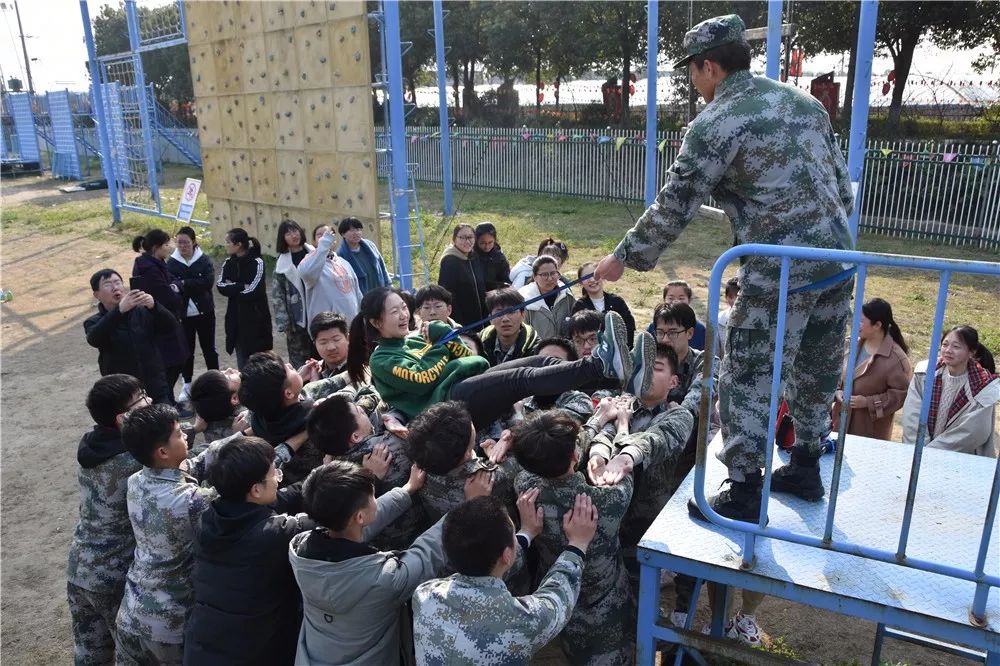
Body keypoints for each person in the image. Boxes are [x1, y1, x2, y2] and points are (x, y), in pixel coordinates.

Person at [595, 14, 856, 520]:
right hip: (838, 258)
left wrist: (623, 256)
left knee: (749, 369)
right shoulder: (802, 102)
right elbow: (841, 186)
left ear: (708, 66)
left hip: (780, 267)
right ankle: (805, 464)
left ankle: (743, 488)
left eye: (692, 71)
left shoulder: (717, 121)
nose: (693, 83)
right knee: (817, 365)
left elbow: (678, 200)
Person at [345, 287, 652, 429]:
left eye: (403, 307)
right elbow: (422, 380)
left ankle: (620, 373)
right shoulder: (382, 360)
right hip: (446, 408)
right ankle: (600, 364)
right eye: (393, 311)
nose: (402, 315)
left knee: (539, 362)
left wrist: (448, 340)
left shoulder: (414, 339)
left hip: (465, 386)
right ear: (375, 322)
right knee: (521, 381)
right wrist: (441, 343)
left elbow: (465, 356)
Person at [288, 460, 459, 665]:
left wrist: (407, 489)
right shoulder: (383, 581)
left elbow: (357, 528)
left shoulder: (302, 551)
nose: (375, 500)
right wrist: (464, 509)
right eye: (372, 496)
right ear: (359, 516)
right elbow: (426, 553)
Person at [511, 411, 639, 665]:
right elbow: (624, 466)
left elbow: (552, 454)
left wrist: (599, 421)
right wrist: (620, 426)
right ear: (575, 456)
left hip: (556, 599)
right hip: (605, 610)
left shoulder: (524, 486)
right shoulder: (607, 500)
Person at [412, 493, 597, 665]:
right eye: (513, 534)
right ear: (507, 555)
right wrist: (577, 544)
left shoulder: (424, 595)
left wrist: (526, 533)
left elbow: (487, 568)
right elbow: (557, 599)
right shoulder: (522, 623)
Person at [184, 436, 312, 665]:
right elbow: (332, 513)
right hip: (253, 651)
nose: (278, 480)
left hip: (204, 645)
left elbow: (279, 500)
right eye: (275, 474)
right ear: (255, 490)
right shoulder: (274, 535)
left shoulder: (208, 519)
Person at [114, 404, 216, 664]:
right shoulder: (190, 501)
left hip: (131, 614)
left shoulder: (136, 481)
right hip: (170, 625)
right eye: (180, 433)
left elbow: (189, 468)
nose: (185, 436)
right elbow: (240, 491)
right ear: (162, 451)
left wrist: (240, 435)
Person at [67, 375, 150, 665]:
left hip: (80, 568)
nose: (148, 401)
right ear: (121, 418)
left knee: (90, 655)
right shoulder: (132, 462)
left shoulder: (93, 446)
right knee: (131, 656)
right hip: (114, 575)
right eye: (141, 399)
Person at [84, 269, 177, 405]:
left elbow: (171, 326)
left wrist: (154, 306)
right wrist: (119, 311)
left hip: (155, 384)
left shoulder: (142, 310)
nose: (115, 287)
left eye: (117, 282)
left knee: (164, 423)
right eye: (107, 284)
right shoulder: (93, 322)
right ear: (97, 295)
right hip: (122, 391)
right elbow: (94, 339)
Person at [902, 326, 999, 456]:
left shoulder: (984, 388)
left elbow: (973, 432)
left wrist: (931, 453)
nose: (948, 350)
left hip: (959, 459)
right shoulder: (925, 374)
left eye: (956, 347)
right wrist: (920, 448)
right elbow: (912, 415)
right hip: (918, 453)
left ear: (971, 352)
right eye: (945, 344)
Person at [832, 298, 912, 440]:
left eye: (861, 321)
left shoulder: (896, 359)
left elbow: (901, 395)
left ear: (877, 325)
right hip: (839, 424)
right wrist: (837, 390)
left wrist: (868, 402)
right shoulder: (849, 344)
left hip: (869, 432)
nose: (855, 324)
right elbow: (835, 372)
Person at [238, 351, 317, 486]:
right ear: (288, 393)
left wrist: (298, 379)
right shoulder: (313, 418)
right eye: (287, 369)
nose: (289, 365)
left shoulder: (260, 419)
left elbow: (293, 400)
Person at [132, 229, 190, 405]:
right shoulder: (149, 269)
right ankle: (167, 404)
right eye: (166, 244)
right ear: (157, 247)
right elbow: (170, 297)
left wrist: (176, 287)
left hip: (168, 322)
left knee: (176, 362)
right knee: (168, 366)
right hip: (160, 326)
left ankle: (170, 402)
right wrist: (176, 289)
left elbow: (176, 282)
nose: (170, 247)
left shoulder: (158, 263)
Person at [167, 227, 219, 405]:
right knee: (186, 351)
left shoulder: (203, 260)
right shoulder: (172, 263)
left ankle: (216, 381)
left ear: (194, 242)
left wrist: (182, 283)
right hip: (183, 316)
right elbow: (171, 285)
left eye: (186, 242)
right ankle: (187, 385)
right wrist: (191, 283)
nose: (182, 246)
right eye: (179, 242)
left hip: (205, 312)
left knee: (209, 349)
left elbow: (207, 282)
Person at [217, 229, 273, 369]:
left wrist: (233, 288)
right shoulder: (228, 262)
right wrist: (241, 286)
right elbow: (221, 286)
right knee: (242, 365)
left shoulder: (257, 262)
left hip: (257, 322)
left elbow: (254, 290)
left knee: (261, 364)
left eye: (228, 242)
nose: (226, 245)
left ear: (238, 244)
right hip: (236, 321)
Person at [300, 225, 363, 331]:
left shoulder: (344, 263)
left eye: (328, 235)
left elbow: (356, 292)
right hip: (326, 326)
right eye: (320, 235)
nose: (325, 238)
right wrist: (323, 246)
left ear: (335, 241)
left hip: (351, 323)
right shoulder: (308, 262)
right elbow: (306, 274)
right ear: (315, 242)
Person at [272, 220, 315, 369]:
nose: (293, 235)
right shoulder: (281, 263)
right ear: (282, 238)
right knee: (300, 361)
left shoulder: (314, 254)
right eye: (288, 233)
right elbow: (278, 295)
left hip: (317, 312)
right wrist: (284, 323)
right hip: (296, 322)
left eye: (295, 231)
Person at [573, 261, 636, 348]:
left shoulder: (617, 301)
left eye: (594, 275)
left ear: (602, 276)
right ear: (580, 283)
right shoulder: (579, 306)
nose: (592, 280)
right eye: (586, 277)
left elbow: (629, 328)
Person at [438, 224, 487, 328]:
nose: (467, 241)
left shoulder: (474, 257)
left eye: (470, 237)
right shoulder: (449, 261)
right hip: (462, 321)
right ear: (454, 239)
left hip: (482, 318)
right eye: (462, 237)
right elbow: (447, 294)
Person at [479, 287, 540, 367]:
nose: (505, 319)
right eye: (499, 313)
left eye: (511, 312)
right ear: (490, 318)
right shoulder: (479, 345)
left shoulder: (536, 348)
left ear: (522, 315)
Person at [518, 255, 576, 340]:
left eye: (553, 273)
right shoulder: (525, 300)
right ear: (535, 277)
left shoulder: (567, 295)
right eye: (544, 275)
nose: (550, 278)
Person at [336, 217, 391, 295]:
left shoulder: (370, 246)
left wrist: (388, 285)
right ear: (343, 234)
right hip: (360, 297)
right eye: (352, 230)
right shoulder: (341, 255)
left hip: (380, 292)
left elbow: (382, 266)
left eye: (358, 229)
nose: (356, 233)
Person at [645, 281, 706, 351]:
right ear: (664, 300)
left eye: (681, 298)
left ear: (689, 300)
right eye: (671, 298)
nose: (676, 301)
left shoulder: (699, 329)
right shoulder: (654, 326)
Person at [471, 222, 511, 292]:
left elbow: (506, 277)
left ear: (495, 240)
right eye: (482, 243)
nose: (487, 247)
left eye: (490, 242)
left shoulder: (499, 256)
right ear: (476, 241)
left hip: (496, 294)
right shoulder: (471, 257)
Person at [718, 277, 739, 357]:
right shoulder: (720, 320)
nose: (734, 301)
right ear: (726, 298)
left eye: (738, 297)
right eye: (730, 297)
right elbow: (715, 354)